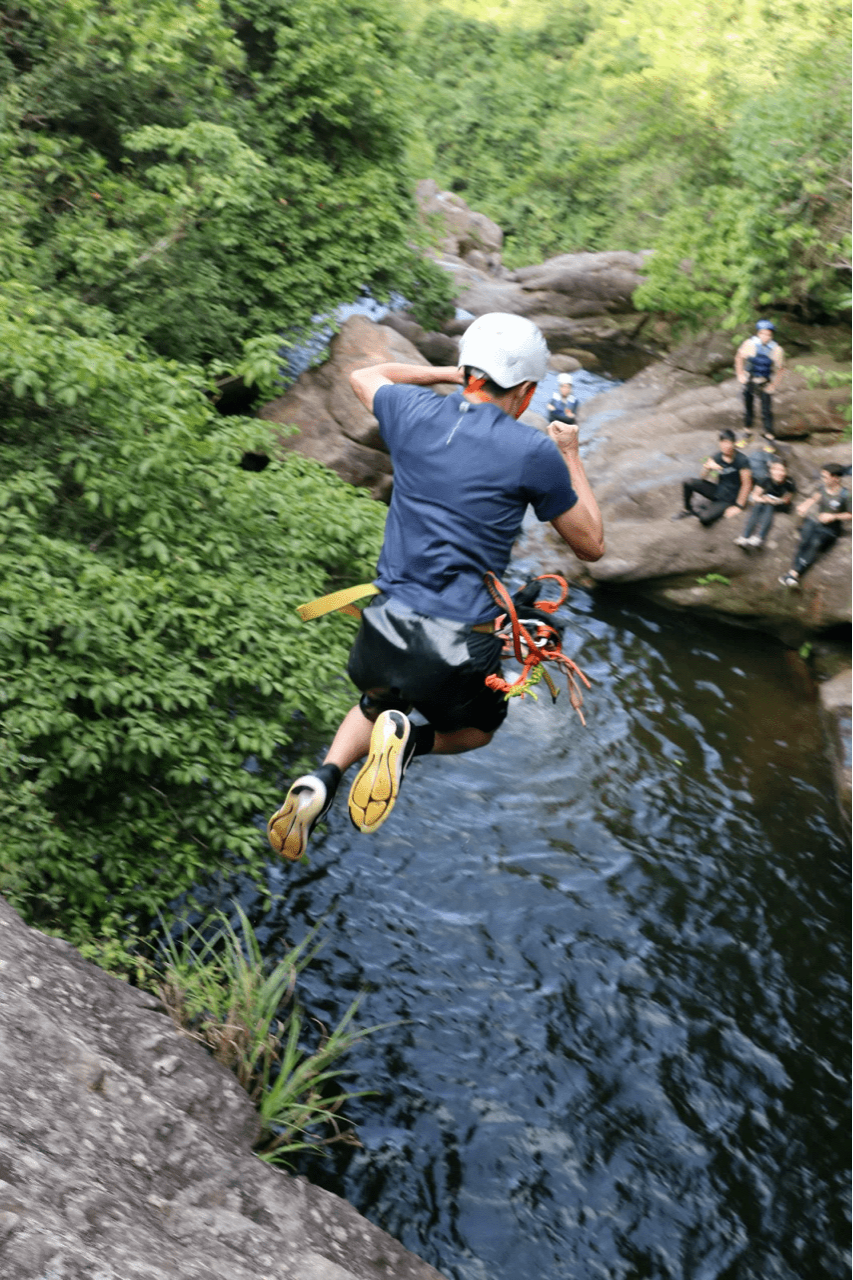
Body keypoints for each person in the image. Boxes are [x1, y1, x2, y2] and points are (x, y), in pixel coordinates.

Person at [267, 313, 605, 861]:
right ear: (526, 391)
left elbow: (365, 375)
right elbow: (590, 544)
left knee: (374, 703)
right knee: (477, 729)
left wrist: (451, 372)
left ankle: (324, 777)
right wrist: (570, 452)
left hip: (384, 626)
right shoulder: (532, 450)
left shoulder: (409, 410)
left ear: (470, 370)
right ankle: (408, 748)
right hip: (457, 643)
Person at [779, 463, 851, 587]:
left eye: (825, 477)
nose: (822, 479)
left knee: (815, 543)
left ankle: (793, 574)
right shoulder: (822, 488)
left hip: (831, 528)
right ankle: (793, 573)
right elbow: (814, 498)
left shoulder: (846, 495)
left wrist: (833, 516)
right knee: (804, 540)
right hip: (815, 521)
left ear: (835, 478)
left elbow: (850, 514)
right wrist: (805, 505)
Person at [672, 429, 752, 526]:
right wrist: (707, 467)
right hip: (718, 491)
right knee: (688, 481)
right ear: (720, 443)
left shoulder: (741, 460)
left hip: (730, 499)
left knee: (704, 519)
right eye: (723, 442)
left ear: (734, 444)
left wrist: (739, 506)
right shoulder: (717, 456)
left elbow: (747, 484)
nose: (726, 446)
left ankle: (710, 509)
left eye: (729, 443)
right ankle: (687, 510)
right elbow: (702, 478)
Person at [735, 320, 785, 440]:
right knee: (748, 406)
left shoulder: (776, 349)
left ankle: (769, 434)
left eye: (768, 334)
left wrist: (773, 385)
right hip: (750, 379)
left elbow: (781, 369)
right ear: (758, 333)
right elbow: (739, 357)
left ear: (771, 335)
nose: (765, 336)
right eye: (762, 333)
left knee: (766, 410)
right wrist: (740, 374)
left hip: (764, 381)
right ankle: (747, 430)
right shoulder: (750, 344)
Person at [734, 458, 795, 549]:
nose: (779, 473)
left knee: (769, 506)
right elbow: (754, 496)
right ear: (771, 470)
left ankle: (760, 537)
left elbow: (786, 499)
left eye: (782, 470)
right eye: (776, 469)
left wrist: (774, 501)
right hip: (766, 502)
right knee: (759, 505)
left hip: (781, 505)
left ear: (786, 471)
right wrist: (765, 499)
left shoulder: (789, 482)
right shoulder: (765, 479)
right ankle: (745, 537)